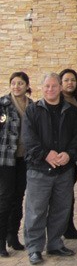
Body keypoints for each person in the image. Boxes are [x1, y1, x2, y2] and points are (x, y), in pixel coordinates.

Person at [22, 73, 77, 265]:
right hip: (39, 169)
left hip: (63, 170)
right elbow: (28, 139)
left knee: (60, 209)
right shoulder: (32, 111)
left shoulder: (72, 112)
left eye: (54, 86)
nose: (51, 90)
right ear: (42, 88)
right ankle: (34, 248)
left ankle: (55, 243)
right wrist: (46, 154)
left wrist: (69, 154)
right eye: (47, 86)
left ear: (60, 87)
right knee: (36, 211)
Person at [0, 72, 32, 256]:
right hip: (5, 160)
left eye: (20, 83)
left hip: (24, 159)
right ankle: (1, 240)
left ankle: (13, 236)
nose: (16, 86)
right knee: (5, 198)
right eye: (13, 83)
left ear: (27, 85)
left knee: (19, 197)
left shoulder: (32, 105)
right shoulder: (3, 104)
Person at [58, 69, 77, 240]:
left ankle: (69, 224)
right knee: (63, 192)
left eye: (72, 80)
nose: (70, 83)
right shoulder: (57, 102)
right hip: (62, 153)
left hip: (76, 152)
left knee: (69, 191)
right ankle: (62, 226)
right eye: (66, 80)